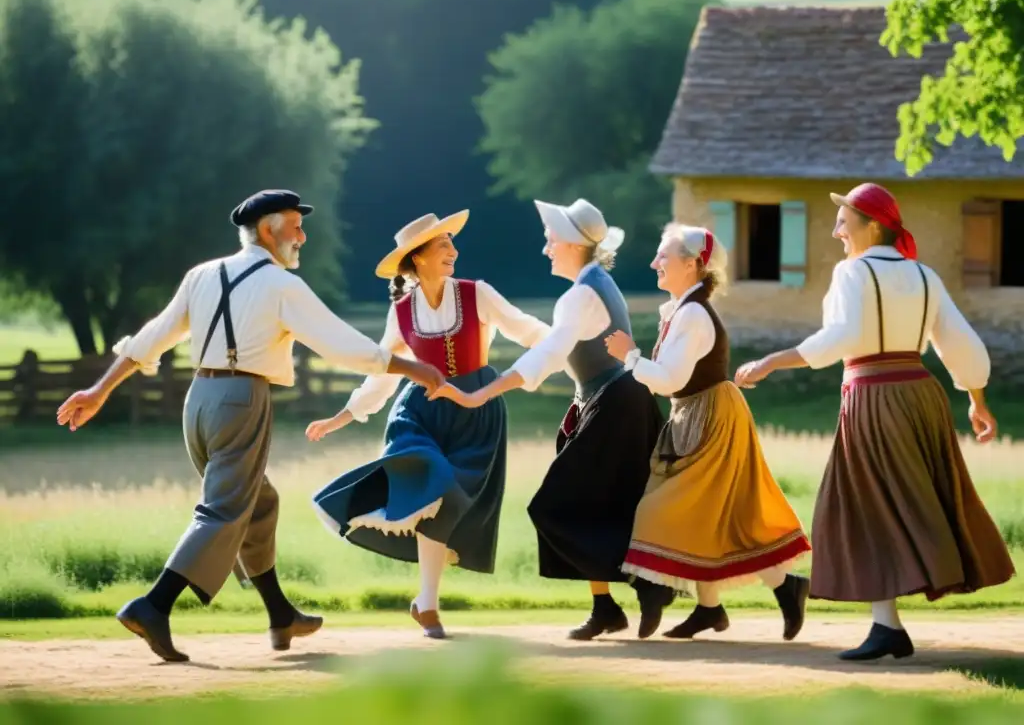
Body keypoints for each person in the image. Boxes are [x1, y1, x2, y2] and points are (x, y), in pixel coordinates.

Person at [55, 190, 444, 663]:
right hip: (242, 399)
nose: (303, 237)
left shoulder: (202, 274)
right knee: (223, 509)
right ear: (267, 230)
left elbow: (149, 339)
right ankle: (153, 605)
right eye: (295, 227)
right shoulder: (282, 285)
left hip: (197, 403)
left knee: (258, 503)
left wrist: (99, 391)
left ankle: (280, 614)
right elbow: (343, 346)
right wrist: (416, 369)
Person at [734, 182, 1015, 661]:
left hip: (873, 396)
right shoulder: (924, 275)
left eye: (845, 219)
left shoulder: (852, 274)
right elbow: (960, 342)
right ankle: (887, 624)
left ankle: (888, 625)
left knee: (863, 504)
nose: (836, 229)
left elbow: (839, 337)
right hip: (921, 395)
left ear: (874, 225)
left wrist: (770, 362)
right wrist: (975, 398)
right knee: (893, 501)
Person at [431, 198, 675, 641]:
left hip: (615, 402)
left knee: (553, 507)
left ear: (569, 244)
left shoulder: (581, 293)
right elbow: (553, 343)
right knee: (597, 507)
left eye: (549, 241)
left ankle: (644, 585)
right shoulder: (595, 283)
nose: (545, 249)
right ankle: (607, 605)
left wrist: (484, 390)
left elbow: (550, 350)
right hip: (612, 401)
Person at [307, 210, 550, 640]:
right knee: (431, 482)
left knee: (446, 504)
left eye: (452, 244)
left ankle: (424, 604)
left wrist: (564, 349)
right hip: (420, 412)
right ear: (417, 259)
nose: (454, 251)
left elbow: (534, 334)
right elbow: (382, 373)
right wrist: (342, 416)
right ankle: (429, 604)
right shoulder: (400, 313)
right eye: (443, 245)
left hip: (476, 411)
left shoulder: (479, 295)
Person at [604, 223, 811, 642]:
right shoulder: (684, 310)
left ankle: (663, 592)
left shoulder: (694, 314)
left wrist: (629, 356)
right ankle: (715, 607)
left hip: (710, 417)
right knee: (712, 519)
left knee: (661, 509)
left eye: (663, 255)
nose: (653, 262)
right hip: (697, 413)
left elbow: (668, 377)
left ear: (692, 264)